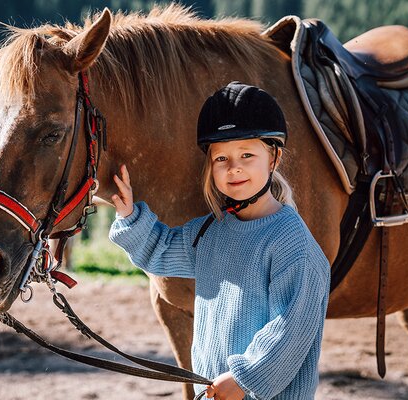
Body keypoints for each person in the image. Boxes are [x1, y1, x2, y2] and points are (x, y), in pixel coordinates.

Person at [109, 82, 330, 400]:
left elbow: (291, 329)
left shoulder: (293, 246)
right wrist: (130, 216)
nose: (234, 167)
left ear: (274, 159)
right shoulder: (209, 232)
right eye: (221, 159)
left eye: (246, 154)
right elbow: (160, 250)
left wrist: (245, 379)